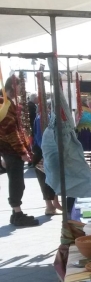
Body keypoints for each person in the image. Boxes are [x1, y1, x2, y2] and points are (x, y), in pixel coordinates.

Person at [0, 74, 39, 226]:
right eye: (20, 87)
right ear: (13, 87)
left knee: (16, 181)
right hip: (10, 150)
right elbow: (10, 131)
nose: (22, 91)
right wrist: (22, 152)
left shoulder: (8, 103)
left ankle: (16, 213)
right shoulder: (4, 104)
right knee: (16, 182)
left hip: (10, 150)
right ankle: (18, 214)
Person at [31, 104, 61, 215]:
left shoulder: (41, 118)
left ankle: (52, 205)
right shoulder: (41, 118)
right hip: (42, 152)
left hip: (42, 151)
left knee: (47, 178)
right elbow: (40, 137)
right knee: (46, 178)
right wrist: (46, 152)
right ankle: (51, 206)